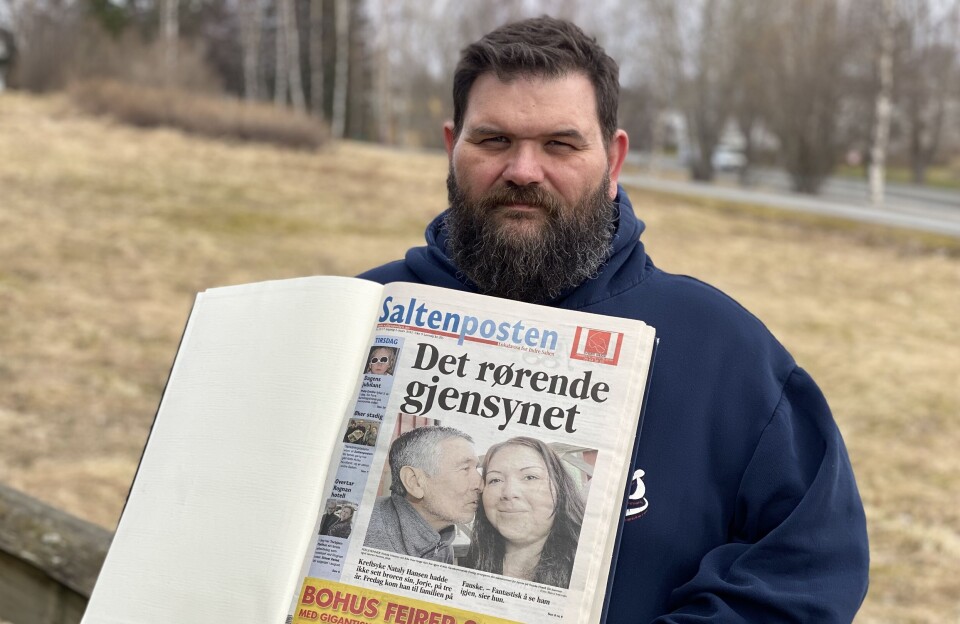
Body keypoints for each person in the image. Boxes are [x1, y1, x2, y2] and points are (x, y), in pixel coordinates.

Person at [358, 16, 869, 622]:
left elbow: (807, 569)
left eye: (560, 144)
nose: (523, 170)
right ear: (452, 147)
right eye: (494, 140)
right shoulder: (357, 315)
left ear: (614, 159)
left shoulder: (724, 352)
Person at [464, 437, 584, 589]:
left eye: (530, 477)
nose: (509, 492)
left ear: (560, 489)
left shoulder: (587, 572)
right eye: (495, 480)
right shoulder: (473, 563)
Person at [363, 426, 481, 563]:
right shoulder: (362, 532)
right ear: (415, 482)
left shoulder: (442, 544)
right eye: (465, 468)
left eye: (476, 468)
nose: (481, 484)